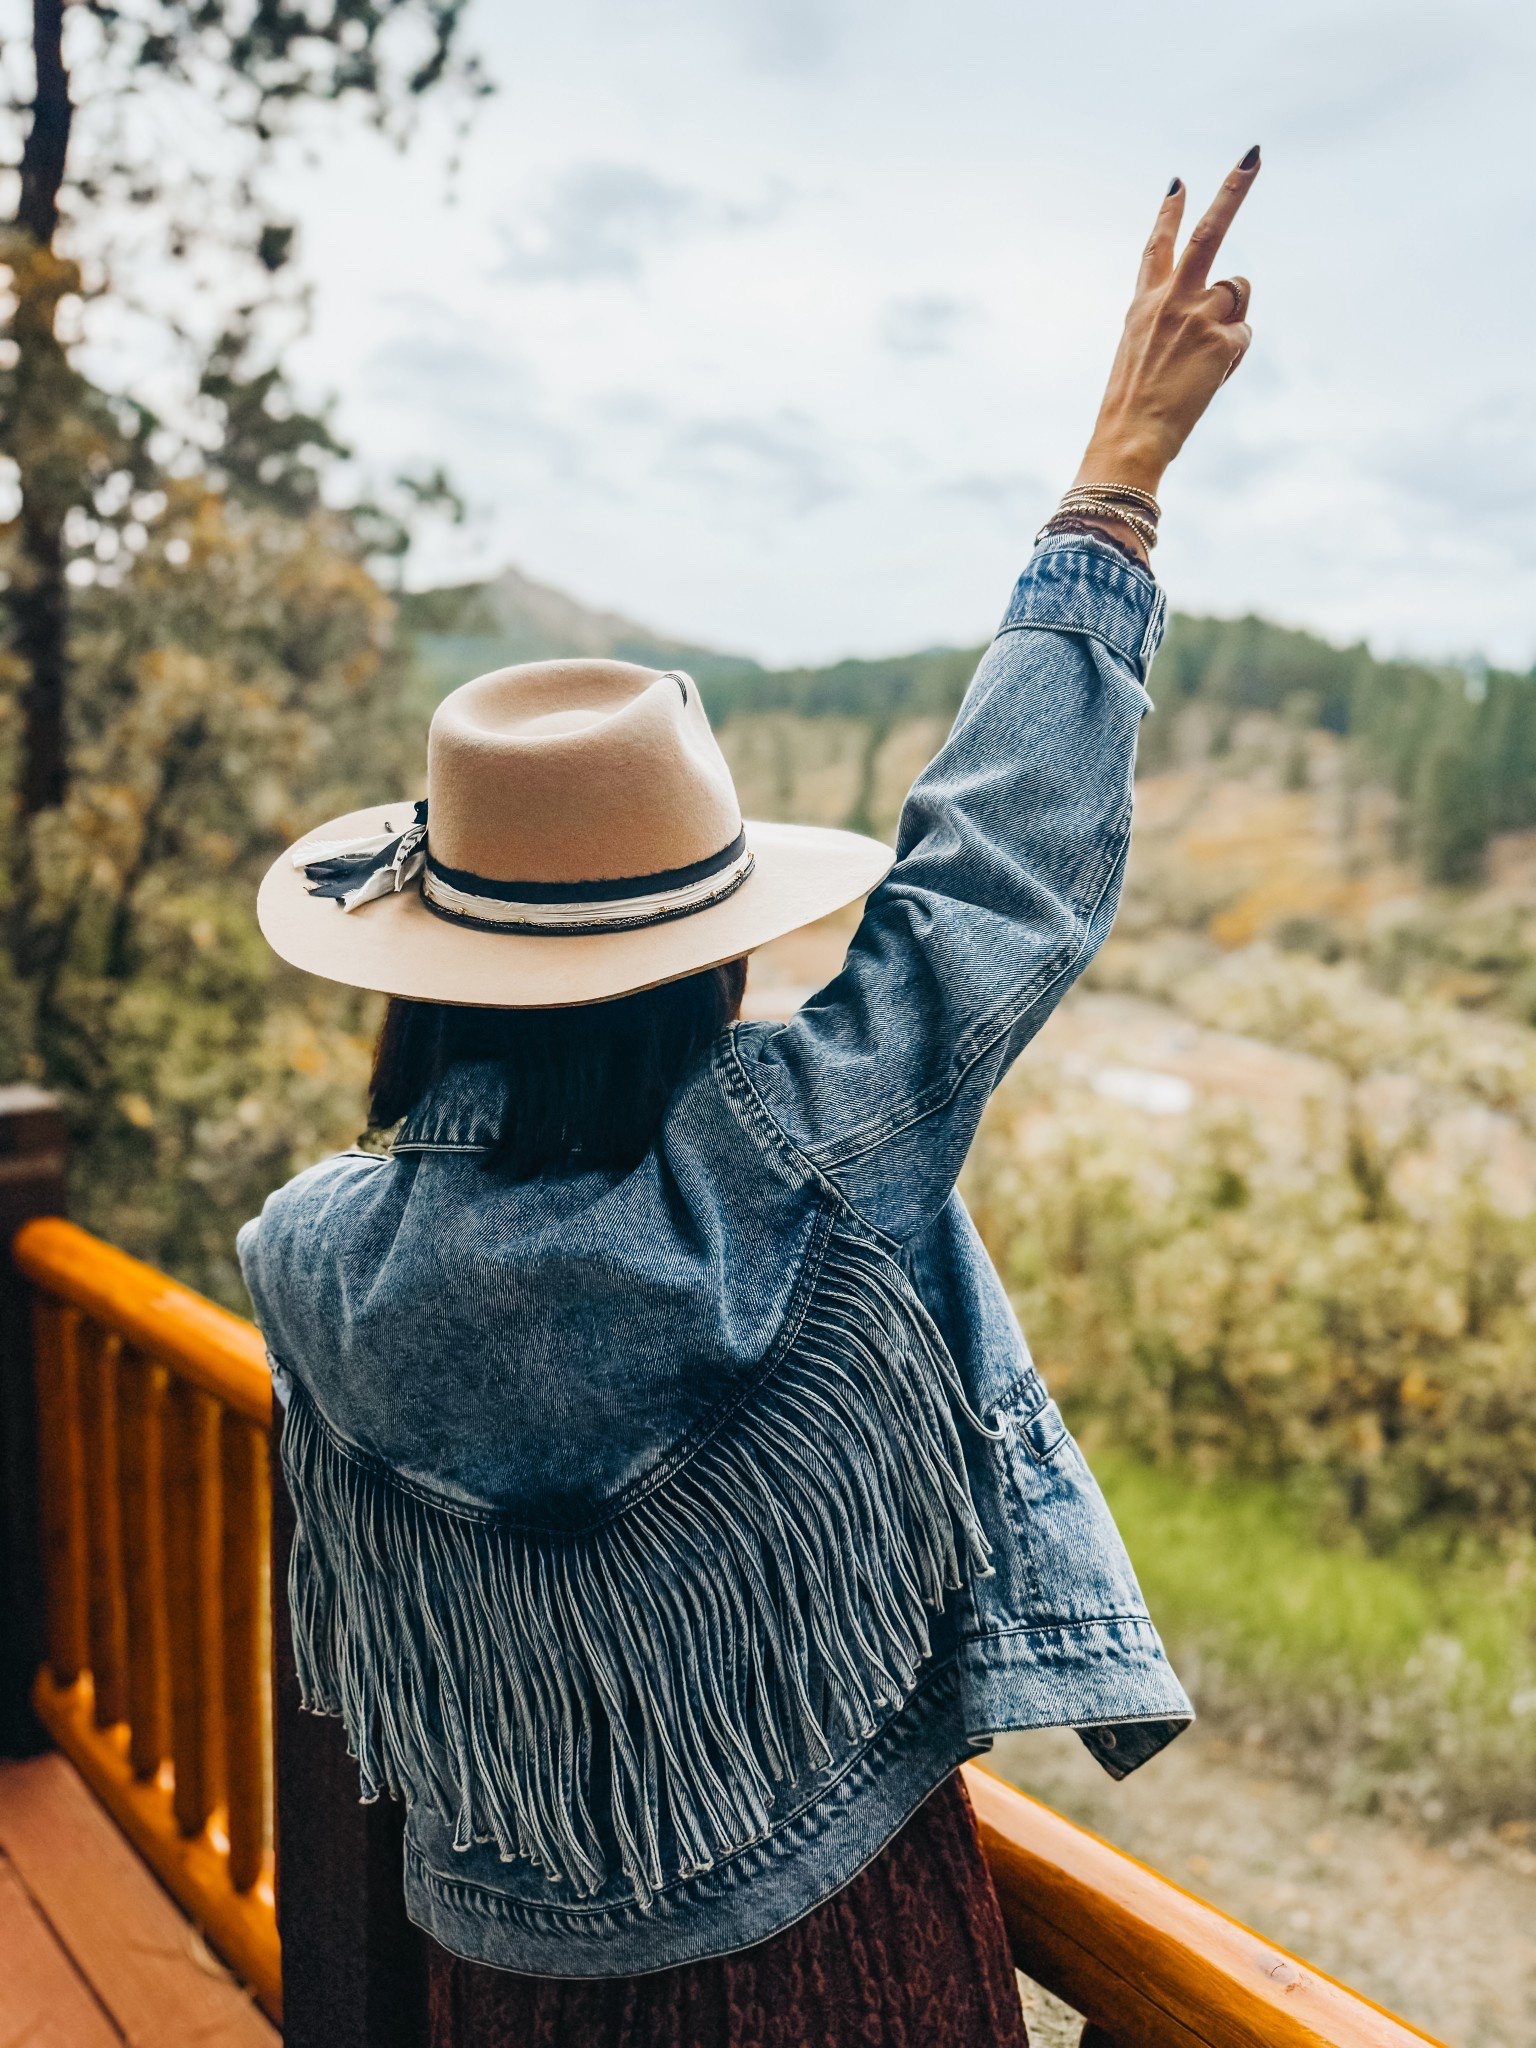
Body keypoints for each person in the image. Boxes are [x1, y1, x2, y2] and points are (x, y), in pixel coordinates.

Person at [239, 149, 1261, 2048]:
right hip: (830, 1946)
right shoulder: (796, 1153)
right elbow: (994, 884)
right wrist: (1112, 488)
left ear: (437, 973)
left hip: (504, 1968)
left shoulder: (306, 1262)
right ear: (706, 958)